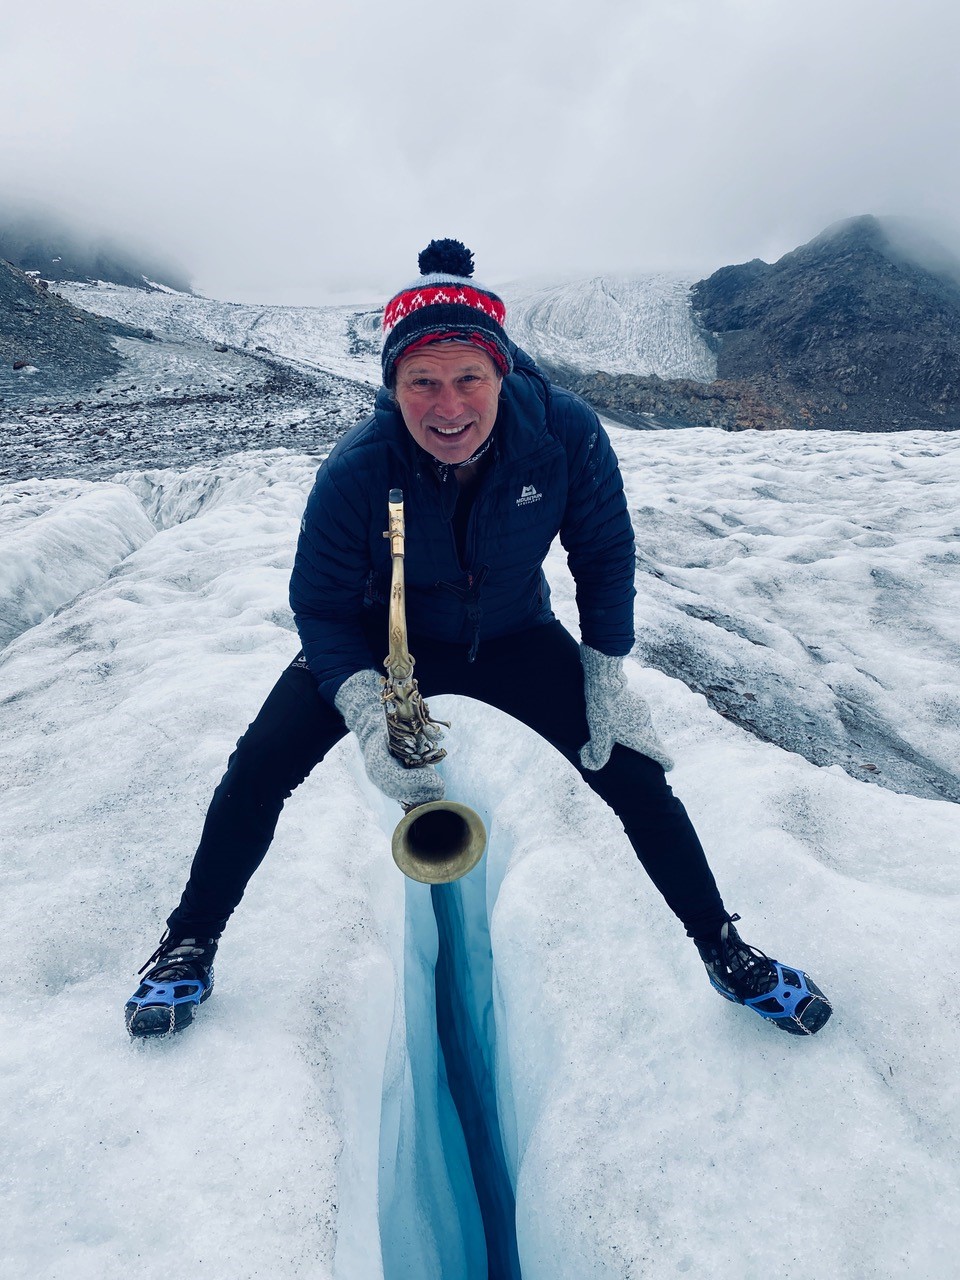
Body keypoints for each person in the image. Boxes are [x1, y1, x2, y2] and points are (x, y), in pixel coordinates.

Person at [125, 240, 832, 1039]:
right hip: (380, 641)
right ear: (392, 386)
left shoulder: (562, 433)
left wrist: (605, 671)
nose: (448, 405)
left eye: (469, 377)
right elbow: (320, 606)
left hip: (513, 633)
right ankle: (188, 943)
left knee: (633, 772)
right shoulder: (357, 469)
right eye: (421, 382)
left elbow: (602, 552)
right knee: (257, 767)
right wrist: (365, 711)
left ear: (502, 372)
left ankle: (725, 948)